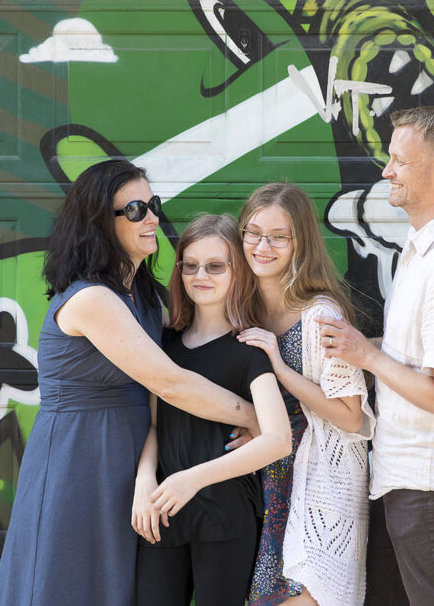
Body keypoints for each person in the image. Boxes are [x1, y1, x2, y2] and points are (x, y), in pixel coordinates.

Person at [0, 160, 260, 606]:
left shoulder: (144, 294)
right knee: (68, 585)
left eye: (152, 204)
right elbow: (172, 383)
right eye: (135, 209)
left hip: (128, 463)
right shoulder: (92, 298)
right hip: (78, 464)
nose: (153, 216)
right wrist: (255, 416)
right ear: (100, 222)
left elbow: (206, 347)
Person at [318, 107, 434, 605]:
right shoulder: (427, 249)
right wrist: (358, 353)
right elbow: (416, 361)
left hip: (429, 484)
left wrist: (367, 355)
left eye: (400, 160)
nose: (386, 171)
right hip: (408, 480)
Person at [131, 214, 292, 606]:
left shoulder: (249, 349)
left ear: (237, 271)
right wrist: (142, 481)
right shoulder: (164, 344)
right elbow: (157, 425)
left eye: (215, 266)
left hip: (226, 514)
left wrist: (193, 479)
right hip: (164, 510)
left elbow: (278, 440)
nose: (200, 275)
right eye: (191, 265)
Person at [236, 183, 375, 606]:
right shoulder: (240, 309)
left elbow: (352, 417)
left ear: (300, 244)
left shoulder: (321, 315)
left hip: (318, 482)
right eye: (253, 233)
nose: (263, 246)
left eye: (279, 236)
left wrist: (280, 367)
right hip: (261, 480)